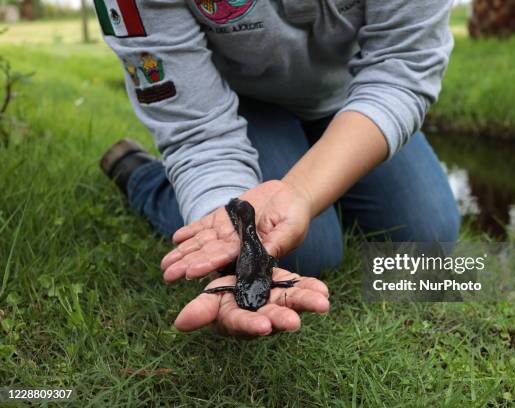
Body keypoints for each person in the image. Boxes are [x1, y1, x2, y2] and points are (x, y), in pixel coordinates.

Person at [96, 0, 460, 337]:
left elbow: (403, 65)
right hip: (240, 106)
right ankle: (146, 180)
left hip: (354, 99)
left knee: (428, 234)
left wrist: (304, 191)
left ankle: (316, 177)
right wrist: (222, 222)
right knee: (308, 253)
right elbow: (197, 128)